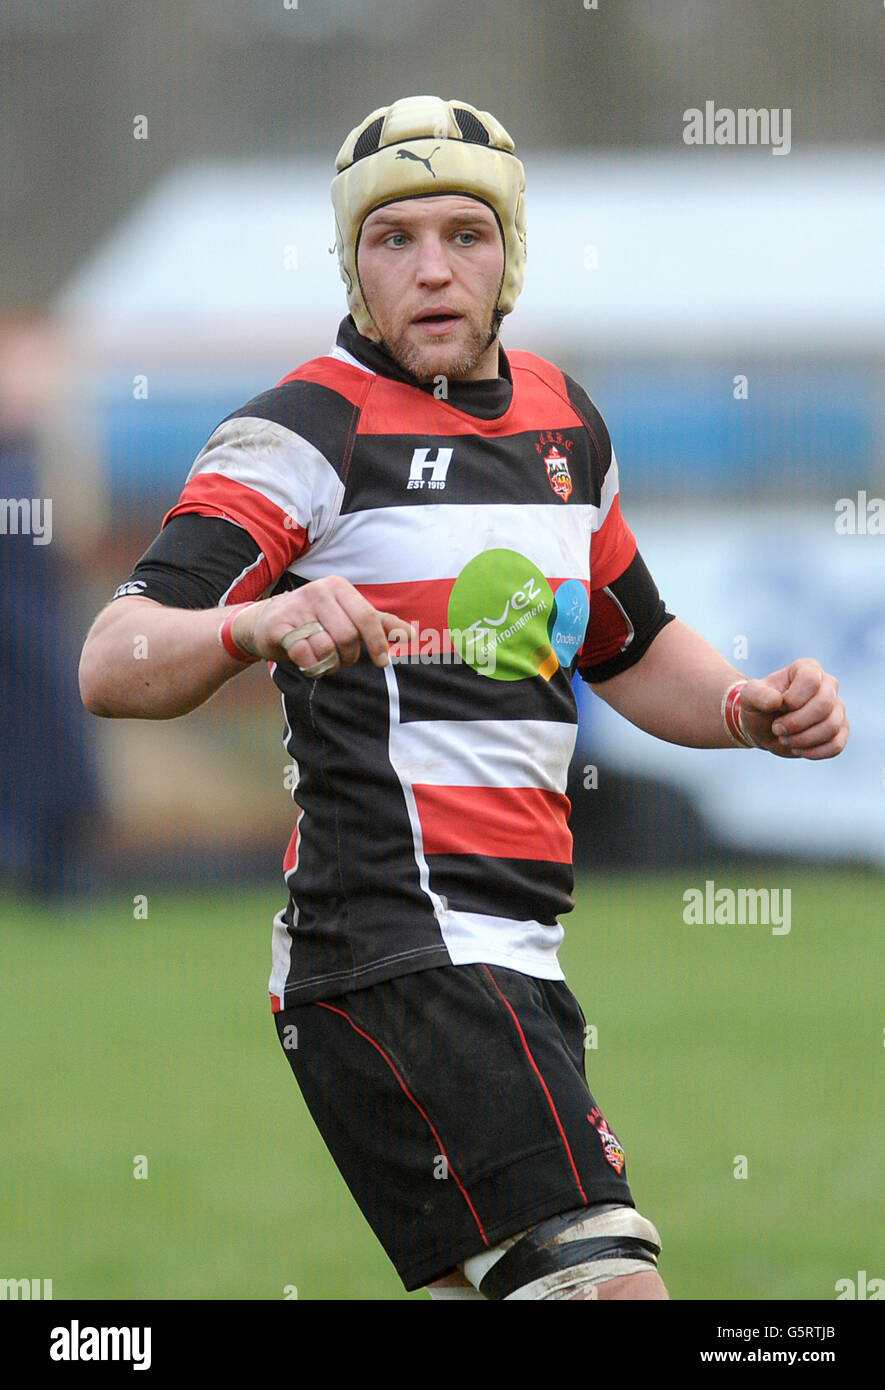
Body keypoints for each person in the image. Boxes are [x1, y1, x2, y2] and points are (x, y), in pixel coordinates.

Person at [79, 95, 849, 1301]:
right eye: (394, 239)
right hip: (399, 946)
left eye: (465, 233)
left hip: (509, 948)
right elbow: (112, 657)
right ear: (354, 262)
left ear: (512, 253)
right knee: (610, 1288)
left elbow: (630, 644)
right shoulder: (302, 431)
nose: (433, 268)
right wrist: (253, 620)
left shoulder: (560, 419)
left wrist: (748, 707)